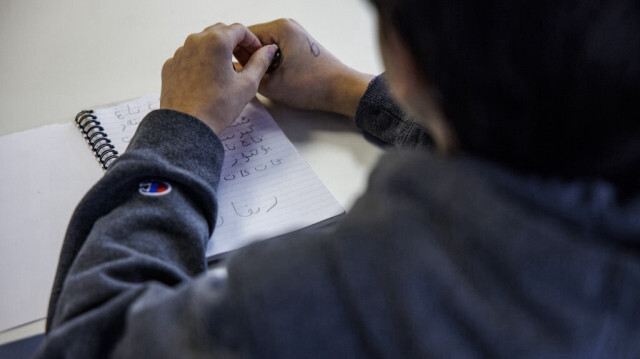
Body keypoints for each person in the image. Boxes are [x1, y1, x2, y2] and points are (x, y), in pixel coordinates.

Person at [35, 0, 640, 357]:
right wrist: (351, 92)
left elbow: (95, 340)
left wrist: (181, 127)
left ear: (402, 56)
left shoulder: (368, 285)